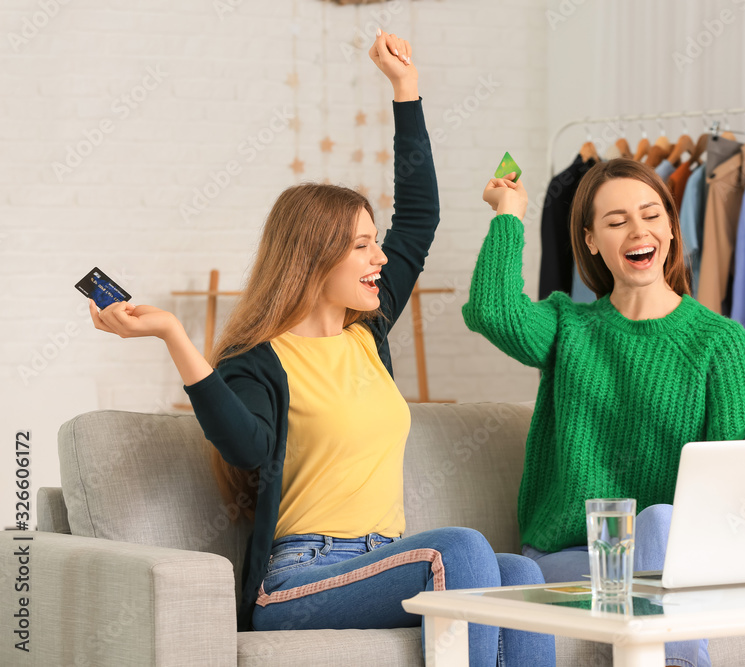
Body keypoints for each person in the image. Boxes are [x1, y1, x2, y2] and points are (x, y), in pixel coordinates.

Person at [89, 30, 555, 667]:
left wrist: (405, 90)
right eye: (361, 245)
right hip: (300, 580)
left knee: (523, 581)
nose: (380, 257)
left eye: (373, 241)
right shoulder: (258, 362)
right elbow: (246, 447)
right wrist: (174, 336)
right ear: (315, 257)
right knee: (462, 550)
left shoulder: (367, 332)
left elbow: (418, 218)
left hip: (383, 561)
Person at [463, 158, 745, 667]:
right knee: (647, 526)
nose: (637, 231)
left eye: (650, 215)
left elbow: (735, 489)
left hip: (674, 555)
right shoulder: (568, 326)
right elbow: (493, 310)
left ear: (671, 227)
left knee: (659, 521)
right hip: (574, 558)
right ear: (590, 241)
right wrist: (510, 212)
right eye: (616, 221)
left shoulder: (719, 341)